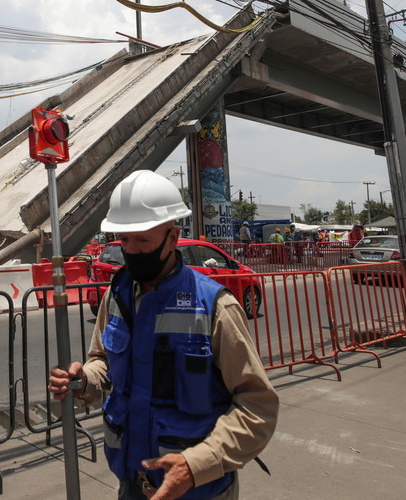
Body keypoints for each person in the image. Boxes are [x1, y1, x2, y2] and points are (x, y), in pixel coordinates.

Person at [48, 170, 278, 500]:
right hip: (132, 482)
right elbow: (103, 362)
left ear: (173, 237)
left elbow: (258, 407)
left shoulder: (214, 306)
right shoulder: (117, 294)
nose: (131, 250)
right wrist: (84, 379)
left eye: (142, 240)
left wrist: (197, 464)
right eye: (124, 240)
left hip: (200, 490)